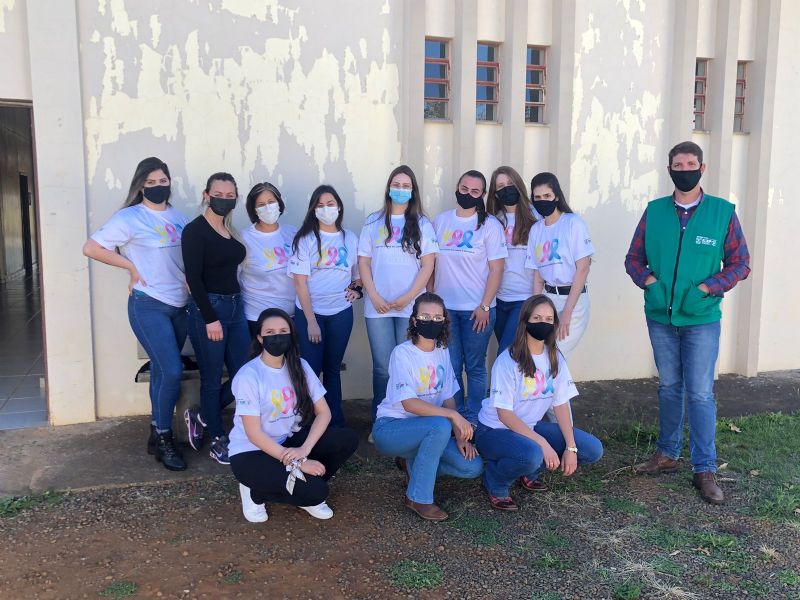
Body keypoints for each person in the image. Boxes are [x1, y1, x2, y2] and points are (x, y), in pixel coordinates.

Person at [624, 141, 750, 505]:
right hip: (661, 316)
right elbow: (634, 257)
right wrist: (650, 283)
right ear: (669, 170)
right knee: (668, 387)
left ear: (702, 168)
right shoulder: (655, 211)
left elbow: (741, 263)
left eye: (690, 163)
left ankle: (704, 468)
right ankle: (666, 454)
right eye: (677, 164)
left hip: (701, 318)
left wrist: (709, 288)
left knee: (699, 392)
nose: (684, 169)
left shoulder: (722, 213)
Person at [83, 157, 189, 471]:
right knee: (171, 370)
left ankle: (156, 432)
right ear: (141, 185)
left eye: (163, 181)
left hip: (180, 305)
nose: (159, 187)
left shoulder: (181, 218)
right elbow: (91, 248)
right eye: (151, 182)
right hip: (148, 304)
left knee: (160, 370)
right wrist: (129, 266)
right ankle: (165, 437)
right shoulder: (129, 218)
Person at [229, 308, 359, 522]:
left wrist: (304, 450)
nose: (277, 336)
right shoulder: (249, 376)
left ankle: (299, 486)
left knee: (346, 439)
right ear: (260, 338)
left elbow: (324, 413)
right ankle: (254, 490)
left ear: (291, 335)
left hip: (287, 442)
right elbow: (253, 434)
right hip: (251, 453)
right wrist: (296, 463)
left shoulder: (300, 366)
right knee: (317, 492)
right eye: (270, 332)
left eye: (283, 330)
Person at [474, 295, 603, 511]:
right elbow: (504, 414)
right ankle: (495, 482)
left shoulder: (555, 357)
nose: (543, 323)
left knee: (591, 449)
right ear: (525, 321)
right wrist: (543, 444)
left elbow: (560, 404)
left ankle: (529, 471)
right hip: (494, 430)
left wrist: (571, 447)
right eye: (537, 318)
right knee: (533, 453)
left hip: (529, 427)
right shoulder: (508, 360)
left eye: (548, 318)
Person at [372, 293, 483, 521]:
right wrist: (453, 418)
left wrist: (460, 434)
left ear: (444, 322)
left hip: (429, 429)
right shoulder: (402, 353)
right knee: (441, 426)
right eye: (424, 316)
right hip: (392, 428)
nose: (431, 322)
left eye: (437, 317)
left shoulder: (442, 351)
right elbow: (408, 403)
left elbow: (448, 396)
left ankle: (412, 465)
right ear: (414, 320)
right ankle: (418, 498)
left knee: (471, 467)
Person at [358, 165, 438, 431]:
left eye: (406, 186)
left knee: (407, 365)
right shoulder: (373, 222)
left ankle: (408, 418)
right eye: (396, 185)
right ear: (388, 188)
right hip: (377, 306)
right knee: (382, 367)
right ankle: (381, 420)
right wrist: (374, 295)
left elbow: (428, 265)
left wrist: (409, 298)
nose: (400, 190)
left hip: (409, 307)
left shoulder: (423, 224)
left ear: (412, 190)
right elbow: (364, 263)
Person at [182, 172, 250, 465]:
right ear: (206, 195)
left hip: (236, 308)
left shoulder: (230, 230)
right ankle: (219, 437)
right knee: (211, 378)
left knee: (242, 374)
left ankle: (202, 414)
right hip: (209, 309)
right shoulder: (194, 231)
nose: (224, 200)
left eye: (229, 195)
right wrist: (210, 318)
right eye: (218, 194)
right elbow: (193, 278)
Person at [432, 170, 507, 424]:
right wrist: (433, 299)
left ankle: (475, 418)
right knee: (451, 367)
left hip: (478, 310)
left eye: (475, 192)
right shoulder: (440, 221)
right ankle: (456, 417)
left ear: (482, 195)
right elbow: (431, 264)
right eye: (464, 189)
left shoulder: (490, 226)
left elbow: (497, 269)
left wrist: (485, 305)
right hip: (446, 310)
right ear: (457, 187)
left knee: (475, 367)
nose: (468, 195)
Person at [288, 185, 361, 427]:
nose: (326, 209)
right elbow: (300, 283)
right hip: (311, 315)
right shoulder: (305, 239)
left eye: (330, 204)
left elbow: (358, 275)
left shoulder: (350, 238)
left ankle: (334, 421)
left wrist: (357, 290)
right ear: (313, 209)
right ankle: (308, 422)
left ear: (339, 207)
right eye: (320, 205)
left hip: (340, 313)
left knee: (332, 369)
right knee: (310, 370)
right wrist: (310, 321)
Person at [525, 172, 593, 360]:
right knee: (540, 354)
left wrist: (567, 313)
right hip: (548, 299)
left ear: (556, 196)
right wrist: (534, 309)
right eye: (537, 197)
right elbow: (538, 275)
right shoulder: (536, 230)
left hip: (572, 299)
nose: (542, 200)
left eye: (547, 196)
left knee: (556, 355)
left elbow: (583, 269)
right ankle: (547, 390)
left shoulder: (573, 224)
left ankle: (559, 390)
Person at [486, 166, 537, 354]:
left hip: (523, 298)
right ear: (495, 193)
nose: (506, 189)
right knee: (512, 354)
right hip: (498, 300)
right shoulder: (493, 221)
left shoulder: (536, 217)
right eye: (500, 186)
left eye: (510, 183)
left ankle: (500, 385)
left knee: (505, 353)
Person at [238, 182, 298, 336]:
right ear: (254, 209)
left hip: (292, 317)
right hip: (258, 320)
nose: (268, 207)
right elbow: (233, 278)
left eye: (271, 202)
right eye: (261, 204)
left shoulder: (292, 233)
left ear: (279, 203)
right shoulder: (243, 238)